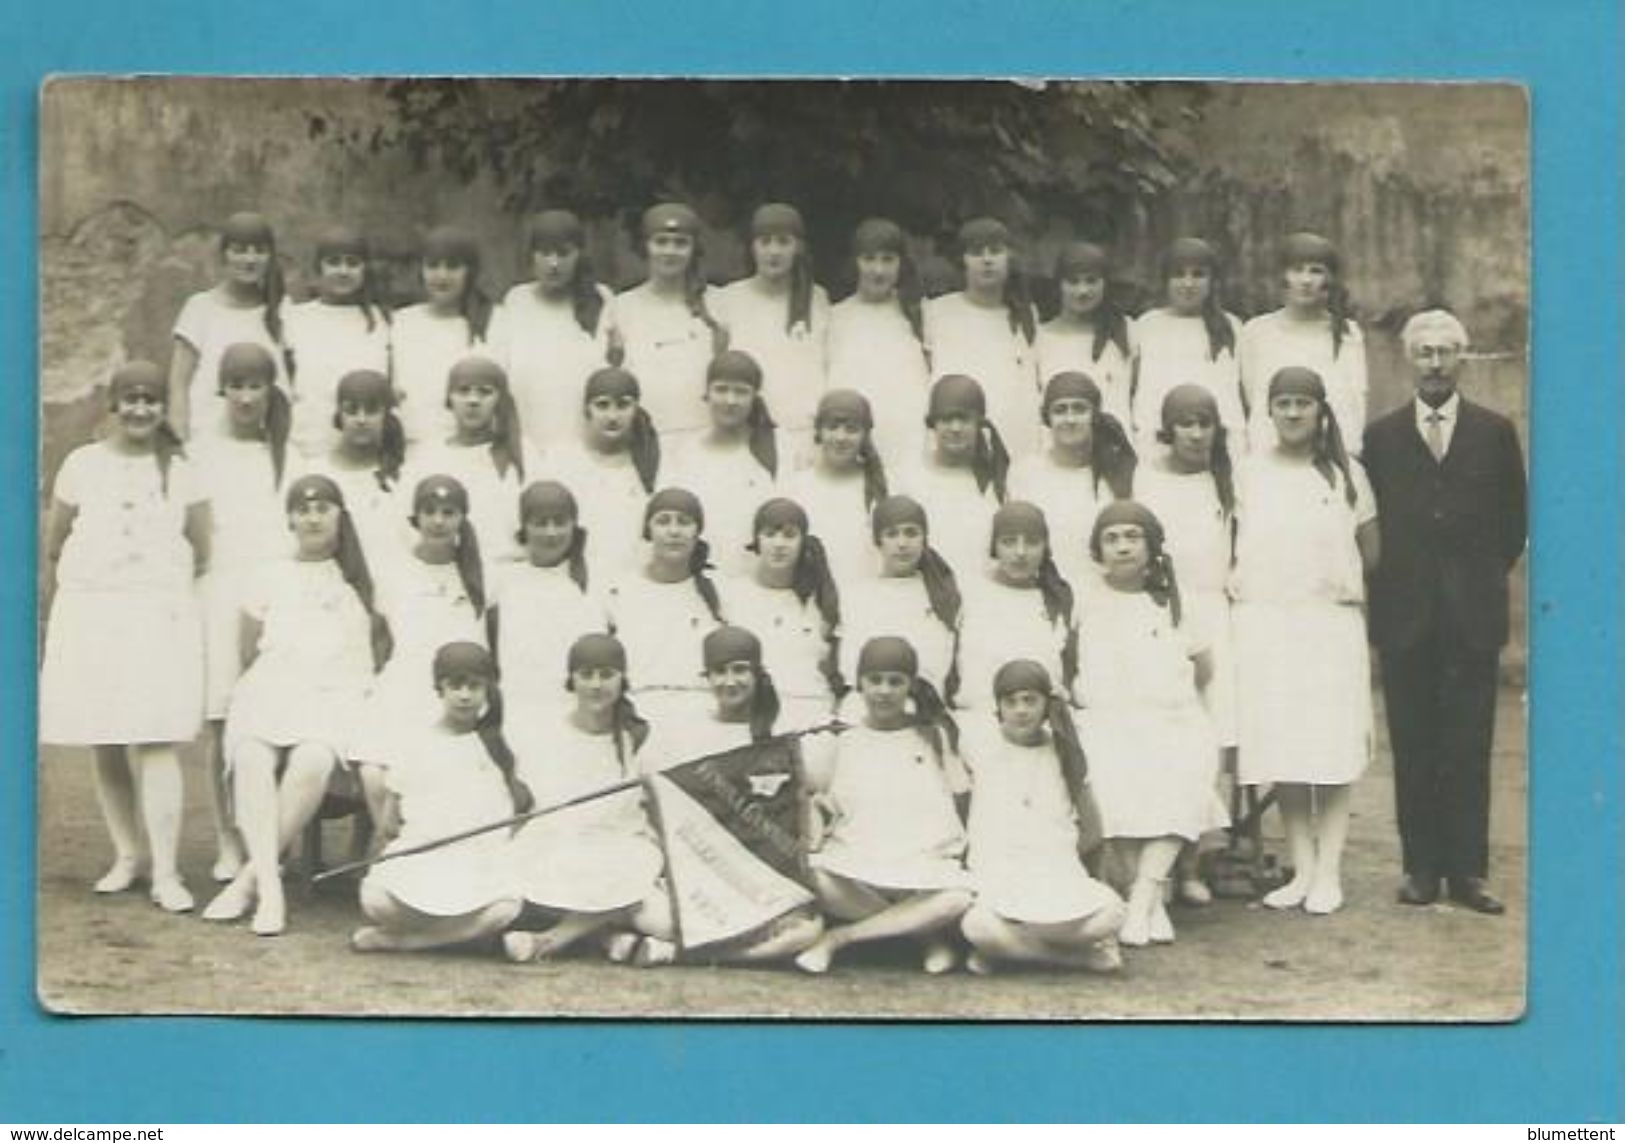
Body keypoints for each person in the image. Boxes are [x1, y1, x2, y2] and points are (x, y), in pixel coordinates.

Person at [1363, 310, 1526, 914]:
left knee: (1468, 743)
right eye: (1424, 352)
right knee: (1414, 743)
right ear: (1410, 359)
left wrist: (1473, 583)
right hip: (1405, 618)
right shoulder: (1379, 439)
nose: (1434, 363)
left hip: (1471, 619)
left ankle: (1469, 873)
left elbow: (1514, 524)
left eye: (1445, 352)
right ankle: (1421, 869)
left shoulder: (1494, 431)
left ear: (1462, 358)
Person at [40, 362, 209, 913]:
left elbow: (202, 548)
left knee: (156, 738)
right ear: (112, 406)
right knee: (107, 735)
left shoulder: (182, 469)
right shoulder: (82, 465)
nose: (140, 409)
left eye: (151, 399)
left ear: (163, 407)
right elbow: (56, 540)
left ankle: (166, 871)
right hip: (95, 610)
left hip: (157, 616)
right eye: (129, 400)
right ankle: (126, 855)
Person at [204, 475, 389, 936]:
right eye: (303, 509)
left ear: (338, 518)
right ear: (289, 518)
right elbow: (249, 650)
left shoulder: (356, 584)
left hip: (333, 698)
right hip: (271, 689)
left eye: (323, 508)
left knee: (313, 757)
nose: (312, 517)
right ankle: (270, 890)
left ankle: (248, 881)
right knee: (250, 756)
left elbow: (363, 660)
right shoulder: (269, 574)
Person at [1231, 367, 1379, 915]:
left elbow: (1373, 551)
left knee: (1331, 749)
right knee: (1285, 748)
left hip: (1328, 626)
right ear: (1268, 412)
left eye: (1303, 404)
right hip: (1267, 626)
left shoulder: (1347, 475)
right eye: (1283, 403)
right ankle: (1301, 869)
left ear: (1321, 411)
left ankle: (1331, 872)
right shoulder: (1248, 474)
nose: (1293, 414)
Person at [1076, 500, 1224, 946]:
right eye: (1112, 538)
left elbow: (1203, 666)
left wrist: (1166, 705)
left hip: (1171, 719)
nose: (1123, 547)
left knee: (1179, 776)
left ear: (1152, 544)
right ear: (1099, 549)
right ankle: (1152, 903)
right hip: (1107, 719)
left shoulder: (1176, 602)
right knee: (1111, 781)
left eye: (1133, 537)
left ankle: (1145, 893)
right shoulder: (1083, 600)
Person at [795, 636, 973, 975]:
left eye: (896, 681)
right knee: (813, 874)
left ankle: (840, 938)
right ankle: (923, 936)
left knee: (960, 896)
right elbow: (812, 799)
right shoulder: (841, 741)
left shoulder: (935, 736)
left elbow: (960, 797)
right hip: (858, 864)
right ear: (860, 684)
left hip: (923, 868)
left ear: (910, 686)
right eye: (875, 680)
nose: (884, 690)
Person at [192, 344, 298, 883]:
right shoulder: (202, 451)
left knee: (279, 714)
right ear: (222, 389)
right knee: (222, 720)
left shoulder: (288, 452)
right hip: (219, 591)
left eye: (256, 385)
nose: (246, 396)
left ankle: (279, 837)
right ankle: (228, 840)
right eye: (236, 384)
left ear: (269, 390)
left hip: (277, 592)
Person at [1134, 384, 1240, 906]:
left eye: (1205, 423)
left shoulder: (1228, 480)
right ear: (1168, 429)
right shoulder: (1146, 480)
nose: (1196, 433)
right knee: (1162, 736)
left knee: (1209, 742)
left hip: (1216, 615)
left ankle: (1197, 860)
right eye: (1186, 423)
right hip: (1164, 614)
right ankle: (1161, 863)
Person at [351, 641, 527, 954]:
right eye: (455, 685)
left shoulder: (498, 745)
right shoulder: (416, 743)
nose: (464, 695)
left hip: (478, 864)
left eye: (474, 686)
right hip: (424, 857)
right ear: (440, 689)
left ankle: (411, 942)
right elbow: (390, 823)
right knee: (374, 898)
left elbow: (517, 815)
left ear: (487, 689)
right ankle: (461, 935)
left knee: (506, 907)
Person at [502, 633, 666, 963]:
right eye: (586, 675)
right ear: (571, 680)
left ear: (622, 679)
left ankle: (553, 940)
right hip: (561, 844)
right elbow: (538, 803)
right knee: (514, 895)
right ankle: (608, 938)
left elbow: (657, 806)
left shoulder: (641, 739)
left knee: (659, 919)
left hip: (622, 848)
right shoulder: (546, 734)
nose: (596, 685)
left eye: (606, 675)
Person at [958, 660, 1125, 974]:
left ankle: (1005, 950)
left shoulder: (1065, 753)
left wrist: (1056, 860)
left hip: (1055, 875)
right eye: (1011, 702)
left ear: (1046, 704)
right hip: (998, 876)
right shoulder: (978, 747)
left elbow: (1093, 831)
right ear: (998, 707)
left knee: (1114, 911)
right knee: (976, 924)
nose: (1021, 710)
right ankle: (1074, 958)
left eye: (1030, 700)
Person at [350, 475, 489, 817]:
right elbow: (378, 639)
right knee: (373, 773)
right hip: (402, 688)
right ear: (416, 518)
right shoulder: (394, 572)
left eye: (448, 512)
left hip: (458, 691)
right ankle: (387, 851)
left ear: (461, 519)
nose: (439, 521)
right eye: (429, 511)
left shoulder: (482, 575)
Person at [489, 209, 617, 452]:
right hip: (530, 428)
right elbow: (502, 370)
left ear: (579, 254)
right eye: (545, 253)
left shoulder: (601, 299)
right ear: (532, 256)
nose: (554, 263)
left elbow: (613, 370)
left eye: (564, 253)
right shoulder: (517, 300)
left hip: (583, 430)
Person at [710, 203, 830, 459]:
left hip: (804, 434)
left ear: (797, 247)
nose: (773, 252)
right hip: (746, 432)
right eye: (765, 242)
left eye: (783, 242)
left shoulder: (817, 299)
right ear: (753, 247)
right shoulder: (727, 300)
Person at [601, 487, 726, 725]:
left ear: (698, 531)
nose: (674, 531)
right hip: (638, 717)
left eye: (684, 522)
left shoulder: (719, 593)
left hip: (704, 718)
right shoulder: (619, 592)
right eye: (663, 521)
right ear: (648, 530)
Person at [1240, 232, 1369, 456]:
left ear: (1329, 279)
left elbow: (1355, 403)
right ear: (1284, 277)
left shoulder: (1347, 334)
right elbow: (1255, 397)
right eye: (1297, 269)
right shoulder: (1257, 331)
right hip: (1268, 454)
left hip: (1329, 455)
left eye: (1316, 271)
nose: (1306, 280)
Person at [405, 356, 541, 568]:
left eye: (485, 392)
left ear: (500, 399)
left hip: (509, 568)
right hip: (447, 572)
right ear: (449, 398)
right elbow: (409, 523)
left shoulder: (522, 455)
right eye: (463, 391)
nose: (473, 400)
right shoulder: (429, 456)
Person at [486, 481, 608, 713]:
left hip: (582, 711)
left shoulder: (597, 579)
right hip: (519, 708)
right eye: (540, 523)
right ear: (524, 528)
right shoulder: (503, 580)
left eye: (560, 522)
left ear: (574, 526)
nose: (551, 532)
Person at [167, 211, 290, 441]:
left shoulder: (283, 311)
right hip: (207, 435)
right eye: (240, 250)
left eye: (259, 251)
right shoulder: (200, 308)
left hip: (266, 441)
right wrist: (179, 434)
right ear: (224, 255)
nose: (250, 259)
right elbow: (178, 383)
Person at [1008, 370, 1136, 589]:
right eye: (1060, 410)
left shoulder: (1119, 472)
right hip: (1045, 590)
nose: (1070, 419)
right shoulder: (1025, 472)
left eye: (1079, 409)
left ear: (1094, 415)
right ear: (1047, 418)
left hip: (1106, 593)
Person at [924, 217, 1042, 453]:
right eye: (977, 253)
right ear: (963, 261)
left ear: (1009, 258)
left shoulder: (1026, 316)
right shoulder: (937, 312)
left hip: (1018, 442)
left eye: (995, 251)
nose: (987, 260)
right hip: (957, 444)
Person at [722, 499, 842, 730]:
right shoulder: (732, 595)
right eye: (769, 534)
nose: (779, 544)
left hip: (812, 713)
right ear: (757, 540)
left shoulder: (820, 603)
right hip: (752, 717)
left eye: (789, 535)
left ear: (802, 542)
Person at [838, 495, 962, 708]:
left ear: (924, 539)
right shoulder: (857, 596)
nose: (902, 543)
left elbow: (938, 665)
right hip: (868, 706)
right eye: (892, 534)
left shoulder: (942, 597)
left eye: (911, 533)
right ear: (878, 541)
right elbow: (850, 669)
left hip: (924, 706)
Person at [664, 349, 781, 575]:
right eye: (721, 389)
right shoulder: (683, 452)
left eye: (741, 392)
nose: (730, 400)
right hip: (698, 575)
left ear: (755, 397)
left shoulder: (780, 448)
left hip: (758, 578)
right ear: (707, 393)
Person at [825, 217, 931, 464]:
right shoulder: (835, 317)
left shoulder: (920, 315)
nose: (878, 270)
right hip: (852, 440)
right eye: (869, 259)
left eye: (888, 260)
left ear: (901, 264)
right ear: (855, 263)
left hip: (908, 440)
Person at [615, 202, 723, 438]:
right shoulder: (622, 307)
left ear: (694, 249)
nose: (670, 251)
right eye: (661, 242)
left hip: (705, 436)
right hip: (645, 438)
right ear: (646, 246)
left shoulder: (718, 303)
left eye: (681, 243)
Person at [283, 224, 392, 458]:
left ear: (365, 269)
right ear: (318, 267)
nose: (343, 271)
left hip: (368, 454)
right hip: (306, 449)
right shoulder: (296, 319)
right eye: (334, 262)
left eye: (352, 263)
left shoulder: (383, 322)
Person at [540, 365, 662, 574]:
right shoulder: (561, 462)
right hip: (575, 579)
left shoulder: (654, 466)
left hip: (636, 580)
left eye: (623, 405)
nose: (612, 416)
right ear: (587, 410)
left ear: (636, 409)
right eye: (602, 405)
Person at [956, 502, 1077, 712]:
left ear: (1045, 548)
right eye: (1009, 542)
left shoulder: (1058, 601)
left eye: (1032, 542)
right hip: (979, 715)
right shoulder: (969, 594)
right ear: (995, 547)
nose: (1020, 552)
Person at [1131, 237, 1246, 454]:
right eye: (1179, 274)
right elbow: (1135, 385)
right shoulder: (1147, 324)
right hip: (1157, 440)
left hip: (1219, 442)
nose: (1188, 283)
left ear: (1212, 280)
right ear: (1165, 280)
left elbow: (1239, 391)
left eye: (1198, 274)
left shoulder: (1231, 326)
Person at [894, 374, 1009, 582]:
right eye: (946, 419)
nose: (955, 428)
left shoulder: (999, 483)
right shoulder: (909, 478)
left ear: (979, 423)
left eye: (964, 419)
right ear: (933, 424)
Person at [391, 225, 497, 445]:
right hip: (413, 450)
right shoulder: (402, 322)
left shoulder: (495, 322)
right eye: (433, 266)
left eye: (453, 266)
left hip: (473, 450)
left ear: (470, 271)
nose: (442, 275)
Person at [782, 388, 890, 586]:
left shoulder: (886, 488)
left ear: (865, 435)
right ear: (819, 431)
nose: (841, 437)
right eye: (832, 427)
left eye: (851, 429)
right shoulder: (795, 489)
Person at [310, 369, 410, 568]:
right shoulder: (316, 472)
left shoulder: (403, 476)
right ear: (339, 415)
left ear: (386, 416)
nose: (361, 419)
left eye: (372, 410)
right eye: (352, 410)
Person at [1035, 241, 1137, 429]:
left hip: (1115, 450)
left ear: (1105, 284)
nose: (1082, 291)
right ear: (1059, 285)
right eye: (1073, 282)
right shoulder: (1040, 338)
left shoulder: (1127, 332)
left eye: (1091, 281)